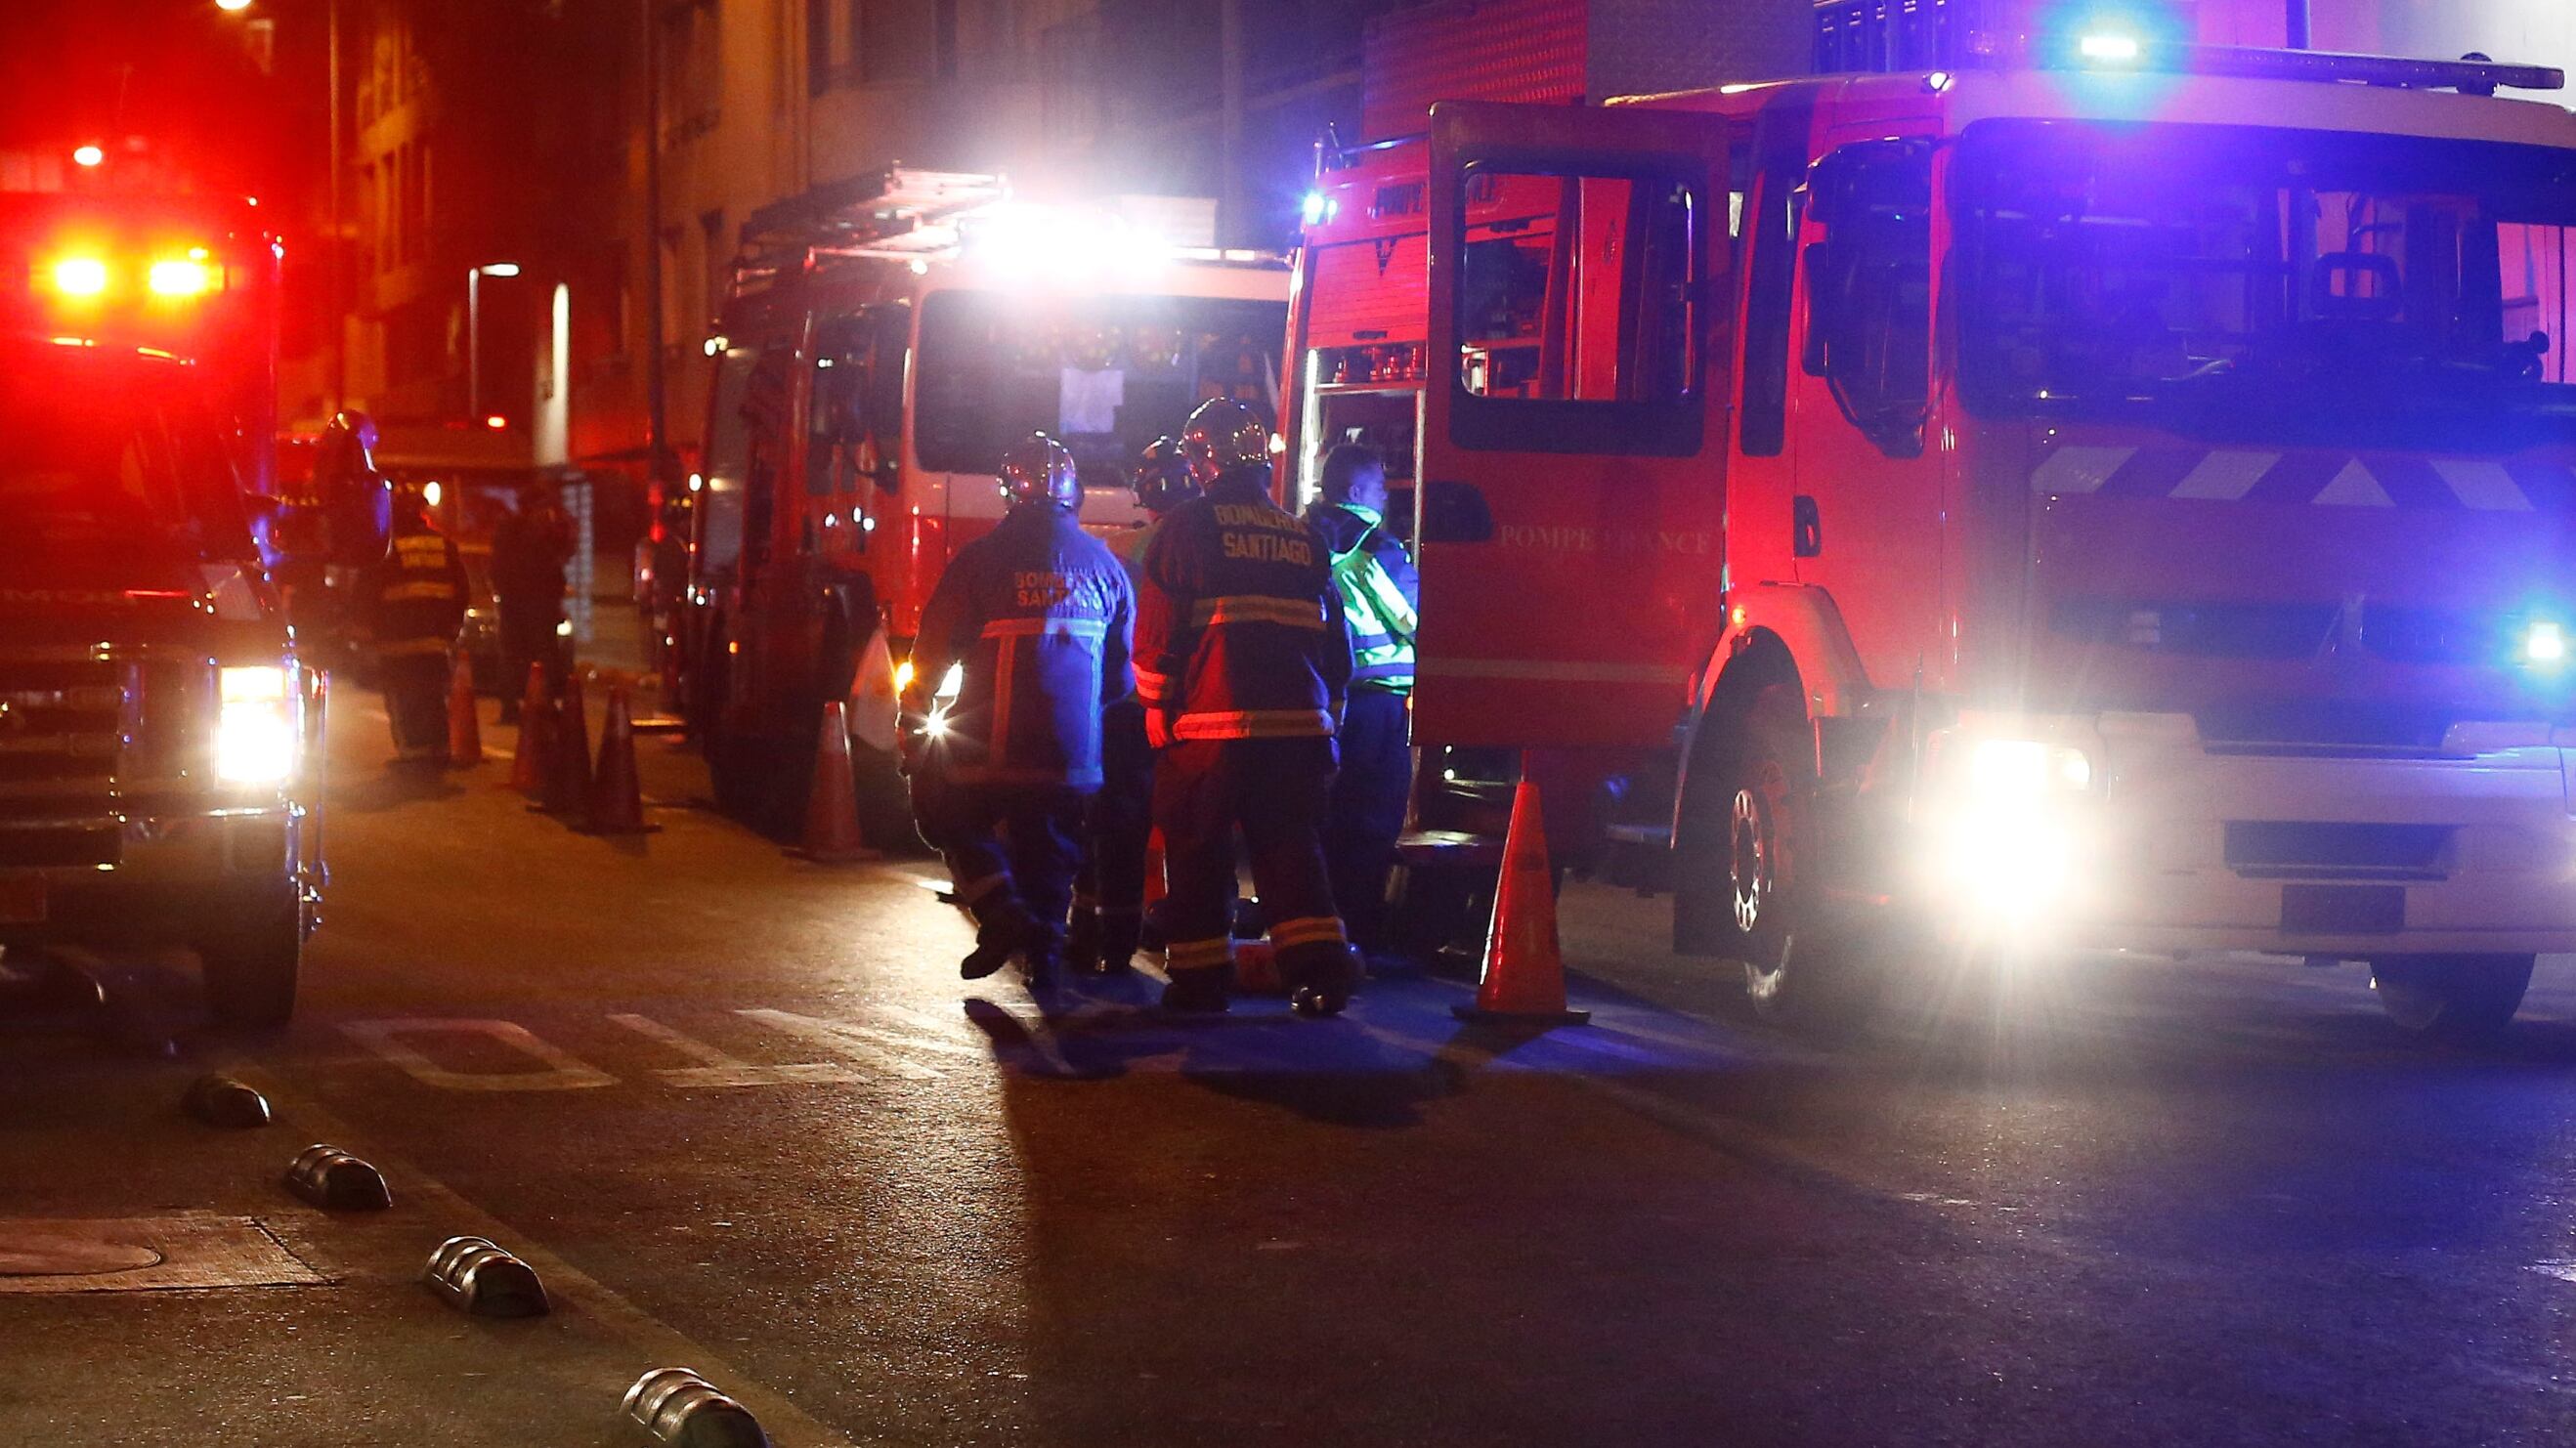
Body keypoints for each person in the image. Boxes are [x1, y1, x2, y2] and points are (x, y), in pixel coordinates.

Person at [1137, 398, 1355, 1017]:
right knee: (1291, 848)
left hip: (1213, 725)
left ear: (1204, 461)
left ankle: (1202, 981)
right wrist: (1331, 716)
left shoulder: (1186, 527)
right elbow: (1334, 639)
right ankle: (1320, 973)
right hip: (1300, 729)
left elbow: (1158, 630)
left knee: (1197, 846)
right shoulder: (1301, 533)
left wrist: (1155, 703)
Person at [902, 433, 1134, 991]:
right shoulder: (1107, 566)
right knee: (1051, 840)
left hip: (990, 747)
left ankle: (1002, 909)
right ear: (1072, 492)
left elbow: (932, 651)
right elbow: (1122, 676)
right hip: (1074, 755)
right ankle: (1046, 952)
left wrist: (911, 723)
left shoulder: (980, 560)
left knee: (942, 806)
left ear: (1009, 492)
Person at [1068, 437, 1198, 977]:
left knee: (1109, 823)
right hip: (1192, 706)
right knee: (1188, 826)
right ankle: (1157, 932)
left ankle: (1091, 938)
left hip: (1124, 705)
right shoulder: (1207, 543)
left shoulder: (1117, 549)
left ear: (1144, 492)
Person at [1303, 444, 1420, 958]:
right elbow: (1416, 620)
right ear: (1355, 493)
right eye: (1377, 488)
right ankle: (1361, 933)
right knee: (1373, 823)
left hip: (1317, 706)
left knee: (1324, 821)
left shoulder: (1298, 539)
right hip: (1376, 708)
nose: (1384, 498)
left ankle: (1318, 930)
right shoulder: (1377, 546)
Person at [363, 490, 470, 764]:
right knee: (433, 694)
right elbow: (461, 589)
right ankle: (439, 748)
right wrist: (453, 626)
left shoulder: (386, 547)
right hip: (436, 640)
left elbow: (368, 591)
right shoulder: (444, 544)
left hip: (397, 641)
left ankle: (413, 752)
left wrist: (365, 628)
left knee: (403, 696)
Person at [491, 480, 575, 722]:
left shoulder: (508, 527)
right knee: (544, 652)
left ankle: (510, 707)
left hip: (514, 601)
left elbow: (497, 566)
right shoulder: (542, 528)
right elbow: (562, 553)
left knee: (512, 653)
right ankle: (545, 705)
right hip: (537, 602)